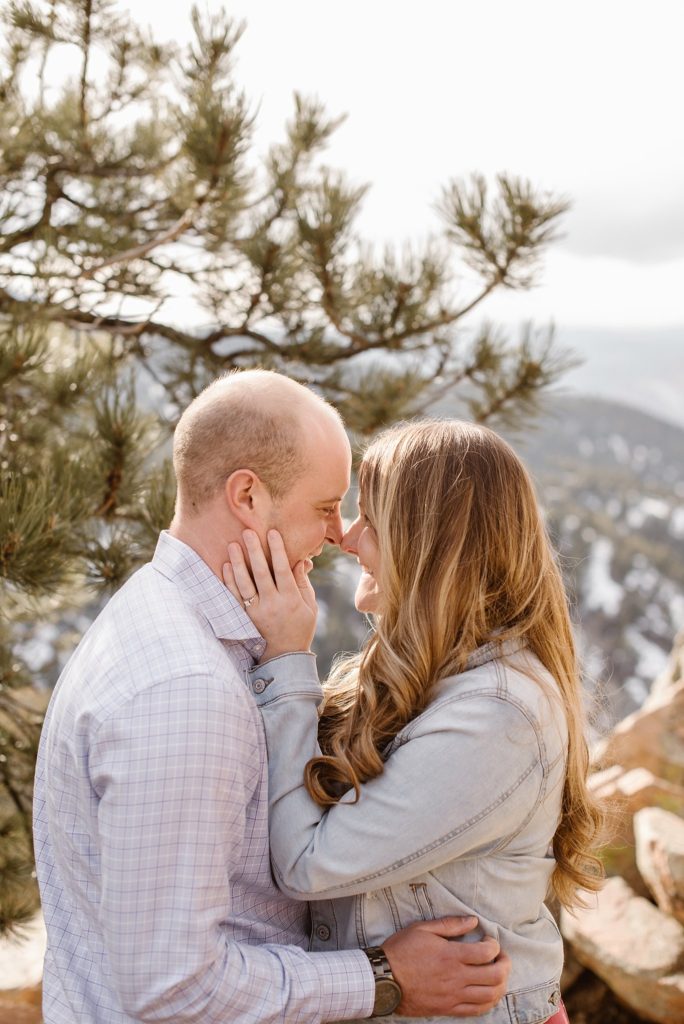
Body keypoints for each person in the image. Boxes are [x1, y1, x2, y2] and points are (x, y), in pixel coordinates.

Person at [33, 372, 511, 1024]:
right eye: (324, 507)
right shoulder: (186, 692)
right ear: (249, 496)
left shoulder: (157, 619)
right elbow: (173, 986)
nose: (338, 535)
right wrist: (383, 976)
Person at [223, 418, 605, 1024]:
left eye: (371, 520)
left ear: (431, 547)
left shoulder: (498, 717)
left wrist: (286, 659)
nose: (348, 538)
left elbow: (307, 863)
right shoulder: (428, 669)